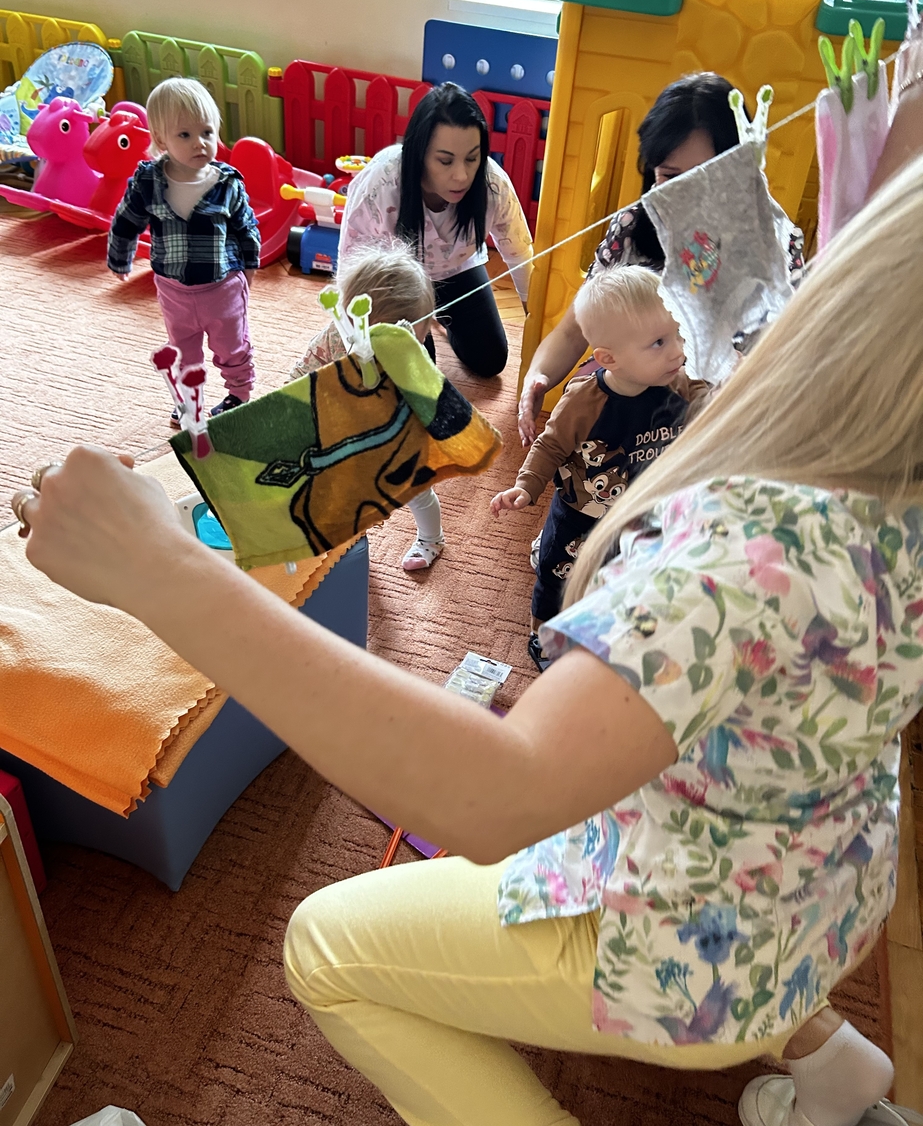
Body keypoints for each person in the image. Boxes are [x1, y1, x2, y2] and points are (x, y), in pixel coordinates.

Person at [13, 145, 923, 1124]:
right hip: (823, 882)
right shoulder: (886, 506)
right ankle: (830, 1060)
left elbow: (500, 800)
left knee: (326, 947)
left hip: (697, 947)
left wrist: (158, 569)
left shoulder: (754, 547)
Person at [518, 72, 804, 446]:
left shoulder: (772, 241)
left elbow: (787, 359)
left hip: (719, 417)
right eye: (670, 176)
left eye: (705, 177)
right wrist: (538, 376)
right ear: (652, 172)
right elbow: (575, 330)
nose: (685, 195)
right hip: (632, 397)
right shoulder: (633, 227)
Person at [491, 266, 704, 670]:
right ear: (609, 359)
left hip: (639, 510)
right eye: (659, 343)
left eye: (678, 334)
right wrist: (526, 486)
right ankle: (545, 638)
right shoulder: (584, 400)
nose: (678, 351)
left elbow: (707, 399)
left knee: (622, 575)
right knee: (558, 577)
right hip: (580, 514)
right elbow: (551, 444)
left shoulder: (676, 383)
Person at [338, 82, 533, 379]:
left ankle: (442, 319)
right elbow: (351, 267)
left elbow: (519, 251)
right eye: (445, 161)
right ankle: (430, 322)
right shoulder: (382, 182)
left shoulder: (492, 184)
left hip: (457, 271)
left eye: (472, 158)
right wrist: (357, 342)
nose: (461, 176)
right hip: (399, 284)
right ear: (419, 154)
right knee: (415, 372)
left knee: (491, 360)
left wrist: (535, 314)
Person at [108, 77, 261, 422]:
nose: (199, 143)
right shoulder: (148, 182)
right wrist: (120, 257)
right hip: (173, 291)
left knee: (232, 347)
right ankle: (190, 401)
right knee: (182, 351)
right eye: (185, 135)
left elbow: (246, 227)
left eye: (207, 132)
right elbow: (127, 220)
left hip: (222, 289)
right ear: (161, 139)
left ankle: (239, 394)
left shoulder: (226, 183)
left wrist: (250, 267)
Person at [288, 240, 445, 571]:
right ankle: (347, 544)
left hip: (396, 435)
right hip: (343, 433)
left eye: (417, 337)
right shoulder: (333, 338)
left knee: (417, 490)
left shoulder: (410, 353)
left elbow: (429, 398)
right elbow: (300, 375)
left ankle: (432, 538)